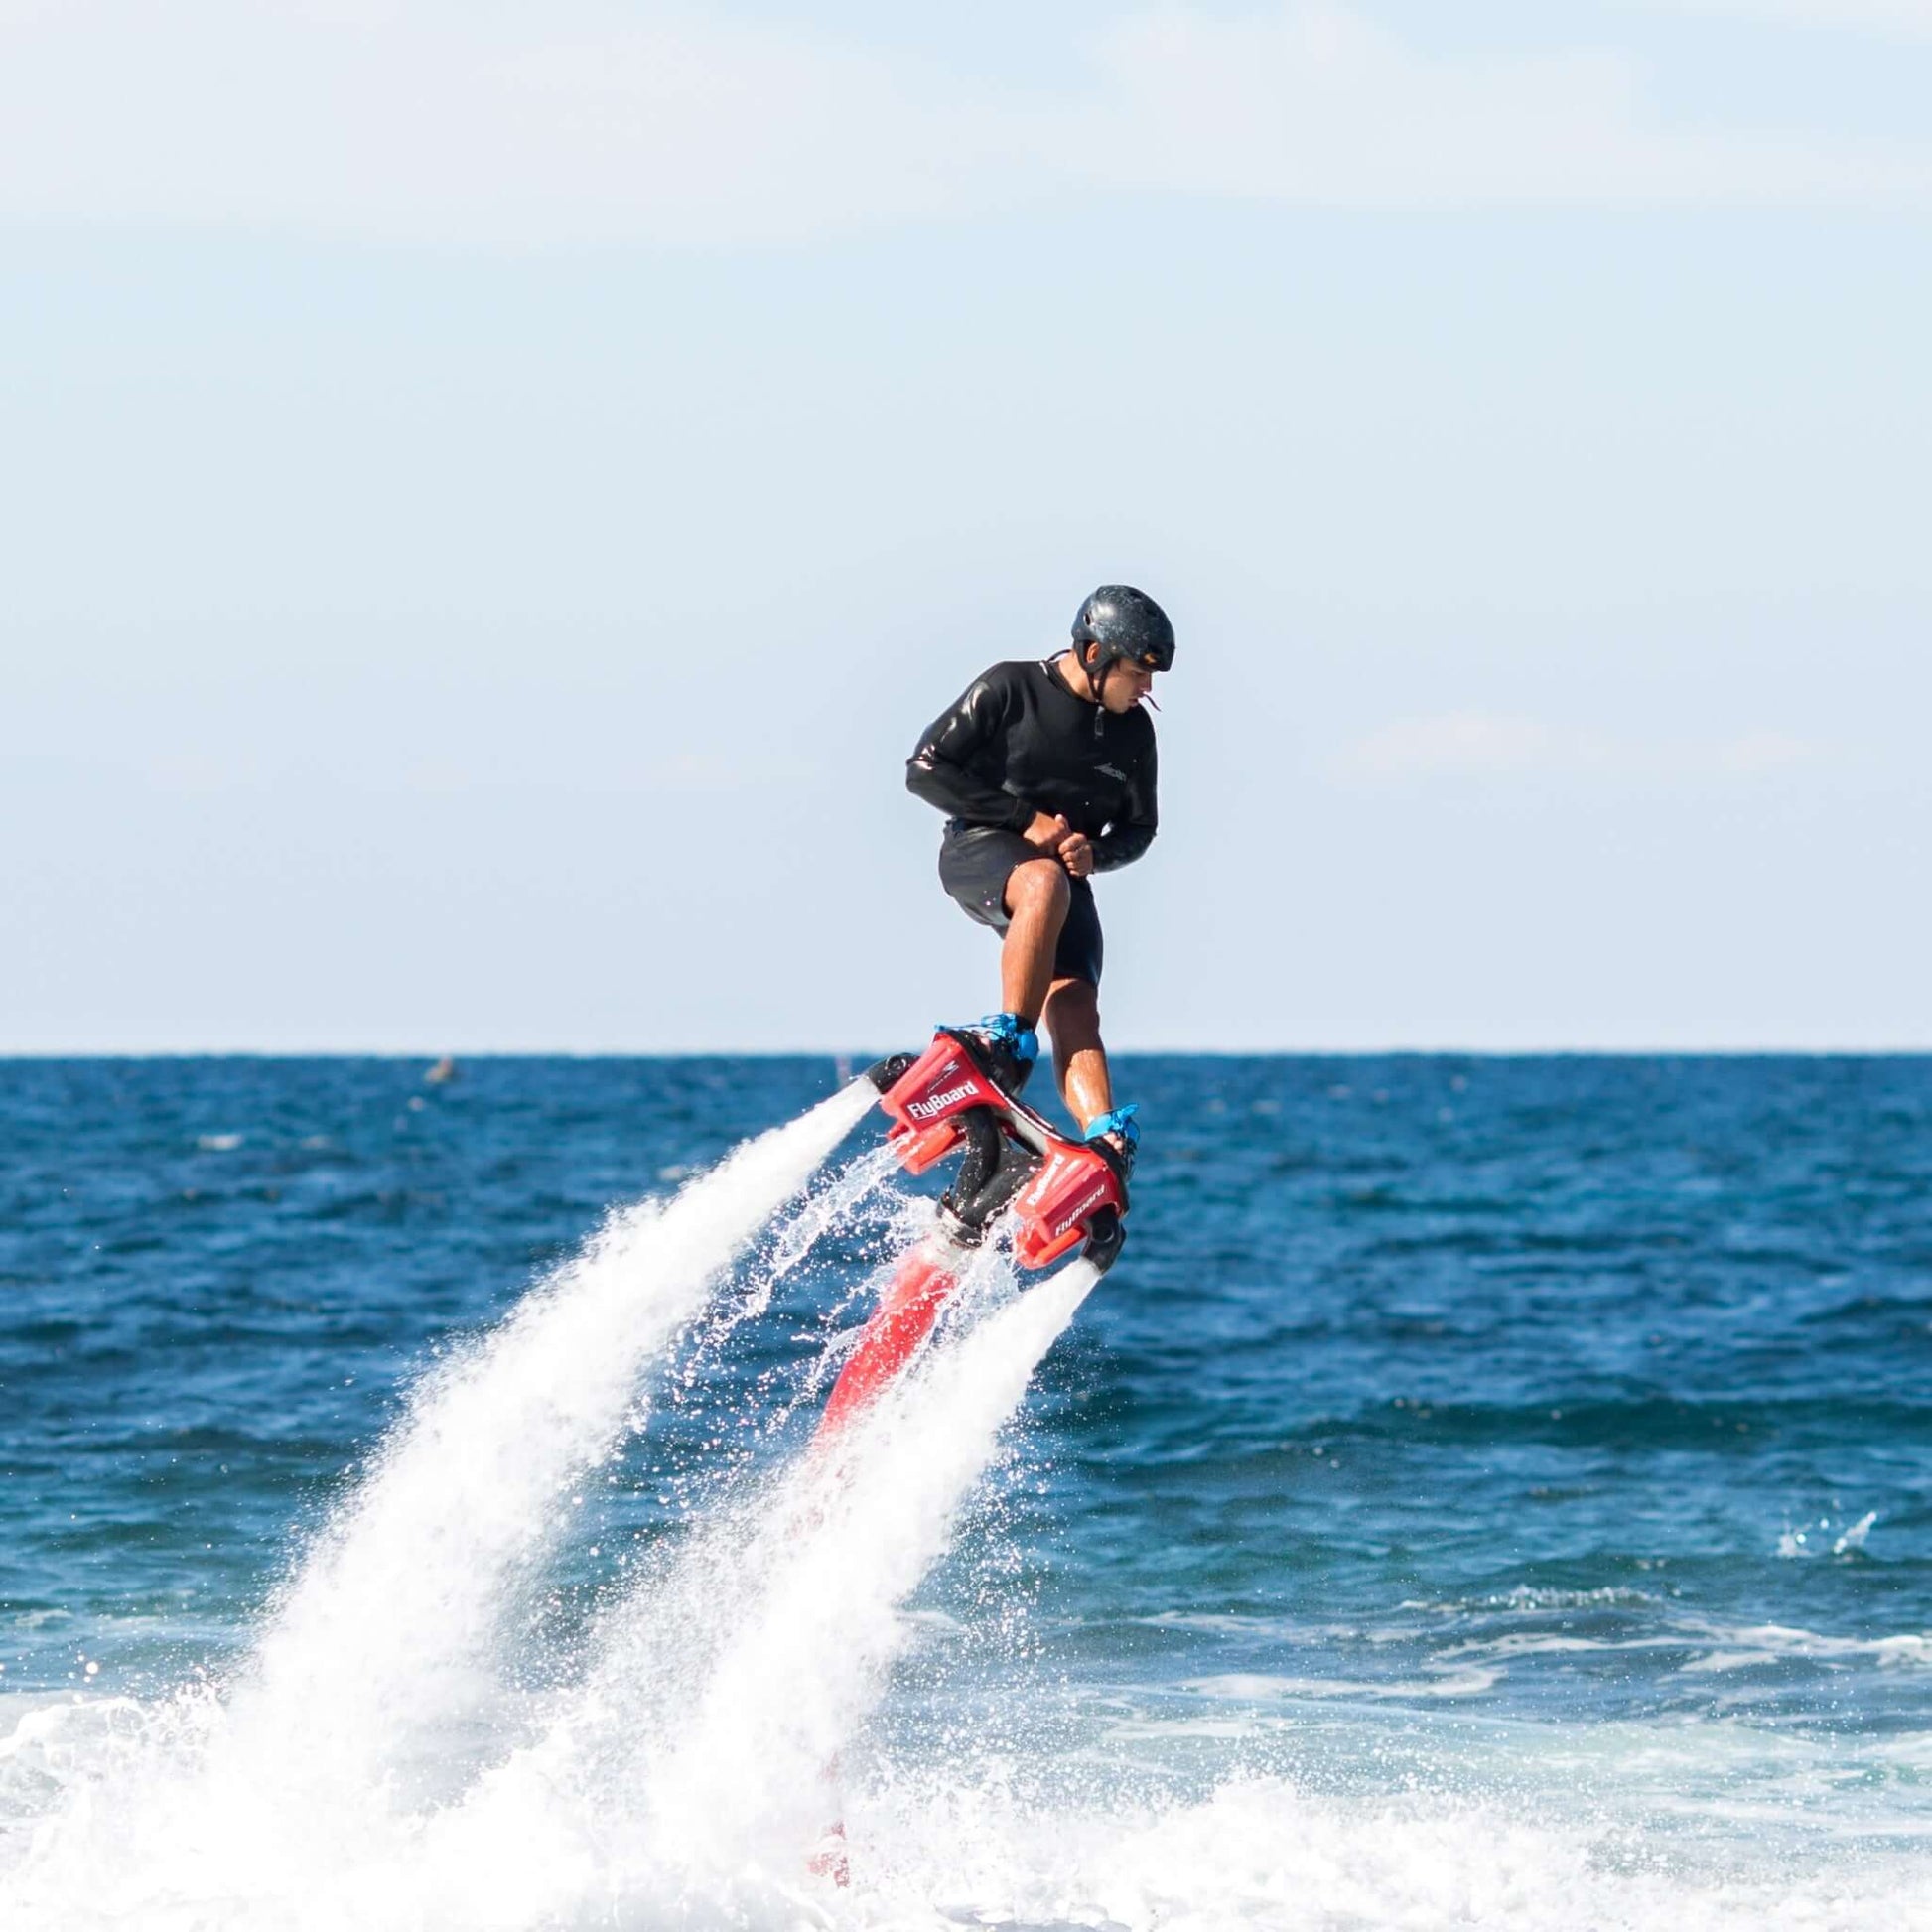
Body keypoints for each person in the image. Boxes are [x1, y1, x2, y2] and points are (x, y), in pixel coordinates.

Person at [905, 585, 1172, 1168]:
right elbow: (924, 770)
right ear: (1096, 656)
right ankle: (1008, 1043)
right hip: (982, 848)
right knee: (1043, 883)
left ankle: (1103, 1138)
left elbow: (1139, 829)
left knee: (1076, 996)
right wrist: (1024, 820)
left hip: (1064, 871)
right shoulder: (1010, 688)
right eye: (1138, 674)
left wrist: (1096, 856)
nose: (1147, 689)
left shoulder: (1134, 734)